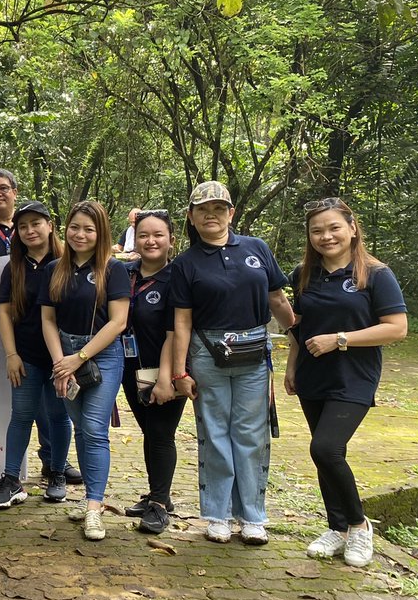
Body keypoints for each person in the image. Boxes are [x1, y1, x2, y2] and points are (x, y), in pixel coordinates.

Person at [171, 181, 295, 546]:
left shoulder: (256, 248)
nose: (211, 214)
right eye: (202, 209)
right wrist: (180, 371)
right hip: (206, 354)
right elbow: (181, 321)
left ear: (231, 212)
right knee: (214, 432)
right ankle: (218, 514)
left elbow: (277, 298)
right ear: (191, 217)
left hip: (254, 356)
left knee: (251, 434)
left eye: (219, 208)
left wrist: (298, 335)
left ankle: (253, 516)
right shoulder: (185, 263)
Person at [285, 198, 407, 568]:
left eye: (334, 227)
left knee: (325, 449)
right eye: (317, 230)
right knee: (326, 457)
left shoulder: (376, 274)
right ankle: (336, 529)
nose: (326, 236)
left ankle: (359, 524)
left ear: (352, 228)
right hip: (312, 375)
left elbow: (396, 329)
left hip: (353, 377)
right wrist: (291, 367)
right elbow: (298, 327)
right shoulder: (303, 274)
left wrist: (340, 339)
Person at [40, 200, 131, 541]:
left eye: (88, 229)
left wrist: (78, 358)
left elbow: (119, 321)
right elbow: (48, 320)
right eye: (75, 227)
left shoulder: (113, 269)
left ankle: (94, 508)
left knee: (93, 429)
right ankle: (90, 496)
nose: (80, 234)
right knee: (80, 427)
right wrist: (60, 363)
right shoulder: (54, 269)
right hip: (62, 354)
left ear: (101, 233)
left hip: (101, 355)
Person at [0, 201, 70, 510]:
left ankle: (57, 474)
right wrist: (11, 354)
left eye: (36, 223)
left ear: (50, 226)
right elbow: (3, 312)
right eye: (23, 226)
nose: (29, 230)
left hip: (63, 358)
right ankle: (11, 479)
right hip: (27, 357)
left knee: (58, 415)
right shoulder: (15, 268)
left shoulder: (67, 263)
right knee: (21, 416)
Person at [120, 210, 185, 535]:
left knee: (161, 434)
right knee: (150, 430)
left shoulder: (178, 278)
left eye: (158, 235)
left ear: (171, 240)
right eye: (144, 235)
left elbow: (178, 330)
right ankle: (157, 493)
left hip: (164, 369)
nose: (151, 241)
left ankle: (160, 504)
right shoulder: (124, 273)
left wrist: (167, 376)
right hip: (130, 368)